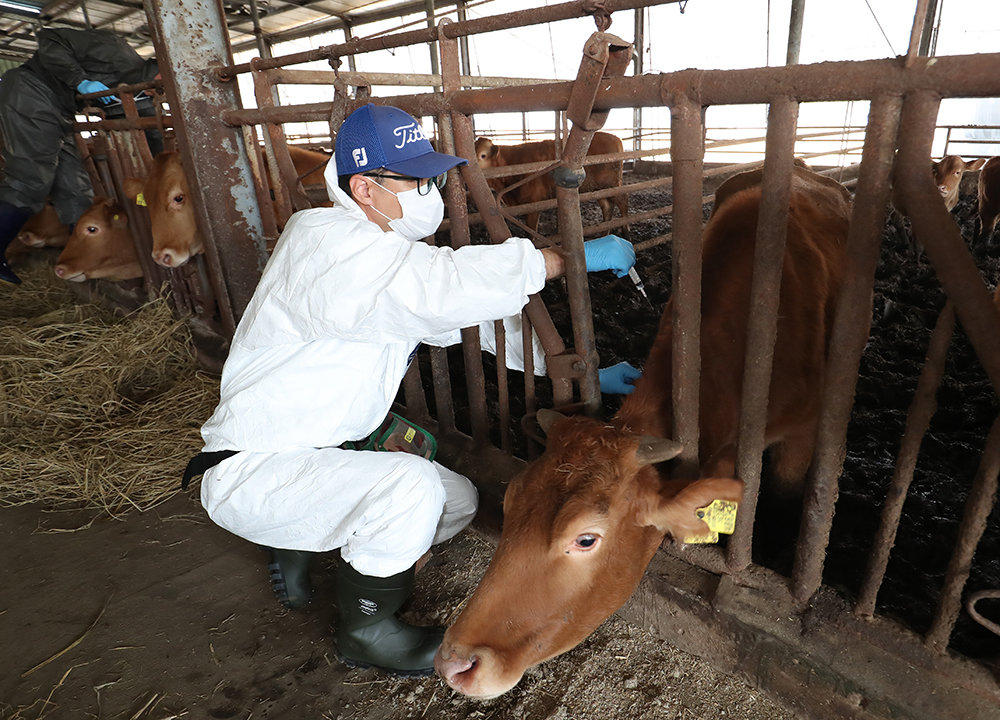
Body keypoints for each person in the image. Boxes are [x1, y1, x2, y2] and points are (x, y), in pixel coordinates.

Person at [185, 103, 640, 677]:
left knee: (456, 502)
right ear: (366, 189)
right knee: (408, 491)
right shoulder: (325, 245)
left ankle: (302, 540)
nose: (433, 190)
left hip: (321, 455)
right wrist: (558, 261)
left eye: (433, 175)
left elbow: (465, 319)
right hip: (254, 470)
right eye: (418, 178)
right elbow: (442, 290)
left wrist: (570, 374)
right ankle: (369, 631)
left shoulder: (384, 259)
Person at [0, 27, 159, 285]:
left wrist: (159, 172)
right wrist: (79, 80)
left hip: (60, 110)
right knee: (31, 180)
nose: (161, 94)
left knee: (76, 187)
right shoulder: (117, 51)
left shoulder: (141, 94)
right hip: (31, 90)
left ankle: (86, 257)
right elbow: (49, 38)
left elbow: (148, 130)